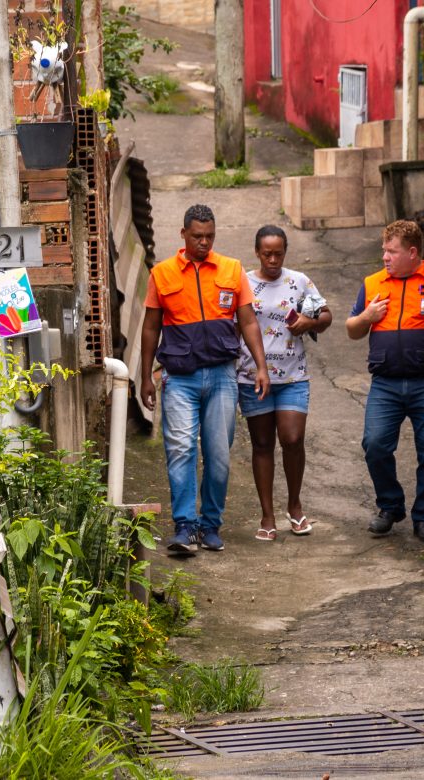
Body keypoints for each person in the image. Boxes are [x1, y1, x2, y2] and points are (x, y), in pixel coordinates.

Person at [140, 204, 271, 556]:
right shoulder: (162, 274)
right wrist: (145, 377)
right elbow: (151, 327)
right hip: (179, 378)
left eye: (209, 236)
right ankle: (184, 526)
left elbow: (247, 321)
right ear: (183, 235)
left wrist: (261, 366)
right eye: (197, 236)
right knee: (180, 449)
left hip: (222, 376)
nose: (203, 242)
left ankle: (211, 524)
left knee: (218, 454)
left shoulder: (231, 269)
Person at [345, 220, 424, 543]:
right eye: (384, 251)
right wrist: (366, 317)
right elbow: (352, 329)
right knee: (374, 444)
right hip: (385, 384)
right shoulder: (373, 284)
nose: (385, 257)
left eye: (392, 251)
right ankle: (390, 506)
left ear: (412, 252)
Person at [237, 225, 332, 541]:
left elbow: (327, 314)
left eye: (279, 253)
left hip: (293, 375)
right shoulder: (244, 284)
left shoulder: (299, 282)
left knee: (292, 439)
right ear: (257, 252)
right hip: (252, 376)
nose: (273, 259)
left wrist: (311, 321)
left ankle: (294, 503)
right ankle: (267, 515)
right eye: (267, 254)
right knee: (262, 444)